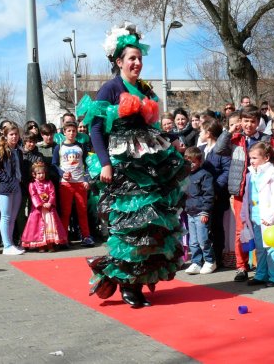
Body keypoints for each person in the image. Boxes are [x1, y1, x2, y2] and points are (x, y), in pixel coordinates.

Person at [79, 22, 186, 308]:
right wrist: (104, 163)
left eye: (139, 58)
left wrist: (171, 140)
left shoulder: (146, 89)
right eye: (131, 58)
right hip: (122, 165)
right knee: (130, 226)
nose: (137, 63)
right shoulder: (110, 89)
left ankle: (138, 280)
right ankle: (126, 282)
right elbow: (97, 129)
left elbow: (151, 129)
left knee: (150, 223)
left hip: (149, 164)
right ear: (119, 61)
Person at [215, 105, 272, 282]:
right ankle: (241, 266)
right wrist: (228, 131)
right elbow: (218, 149)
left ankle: (262, 264)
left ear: (258, 122)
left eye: (252, 121)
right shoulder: (235, 139)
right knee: (241, 229)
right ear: (241, 121)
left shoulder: (265, 139)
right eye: (246, 121)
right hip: (240, 189)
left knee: (260, 226)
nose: (249, 125)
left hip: (260, 189)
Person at [241, 142, 274, 287]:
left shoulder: (273, 174)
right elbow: (247, 197)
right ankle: (261, 274)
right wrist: (244, 215)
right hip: (255, 217)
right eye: (250, 158)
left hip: (269, 218)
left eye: (254, 158)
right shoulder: (250, 175)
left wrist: (271, 217)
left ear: (266, 158)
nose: (251, 161)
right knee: (260, 248)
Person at [52, 121, 93, 247]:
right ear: (64, 132)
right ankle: (64, 238)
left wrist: (86, 179)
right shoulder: (59, 147)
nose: (71, 133)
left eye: (73, 131)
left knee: (82, 211)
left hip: (80, 182)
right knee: (66, 212)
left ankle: (86, 237)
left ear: (77, 132)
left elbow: (87, 164)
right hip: (66, 184)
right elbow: (54, 164)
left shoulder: (81, 146)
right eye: (69, 131)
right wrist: (61, 173)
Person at [0, 123, 25, 256]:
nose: (14, 137)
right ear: (5, 135)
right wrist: (6, 178)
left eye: (16, 134)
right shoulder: (1, 150)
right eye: (11, 134)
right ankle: (7, 245)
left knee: (13, 217)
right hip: (5, 187)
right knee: (5, 216)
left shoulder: (18, 150)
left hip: (17, 186)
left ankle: (11, 244)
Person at [198, 119, 231, 266]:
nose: (200, 133)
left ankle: (217, 256)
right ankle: (205, 257)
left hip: (217, 194)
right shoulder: (201, 148)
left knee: (216, 226)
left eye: (202, 131)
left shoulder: (222, 150)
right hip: (202, 195)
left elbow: (227, 170)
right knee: (203, 226)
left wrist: (216, 188)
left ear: (209, 133)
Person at [183, 146, 216, 275]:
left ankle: (210, 261)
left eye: (193, 161)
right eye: (188, 161)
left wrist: (205, 211)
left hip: (201, 212)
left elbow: (208, 195)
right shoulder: (186, 175)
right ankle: (196, 262)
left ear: (199, 161)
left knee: (203, 239)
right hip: (190, 212)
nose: (191, 164)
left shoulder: (205, 175)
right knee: (193, 241)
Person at [21, 162, 68, 251]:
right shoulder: (32, 184)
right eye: (39, 173)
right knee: (38, 226)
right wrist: (40, 204)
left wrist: (50, 202)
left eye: (43, 173)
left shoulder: (49, 183)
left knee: (49, 225)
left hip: (49, 210)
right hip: (38, 210)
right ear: (33, 174)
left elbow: (52, 193)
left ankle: (50, 244)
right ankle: (41, 245)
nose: (41, 175)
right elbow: (33, 195)